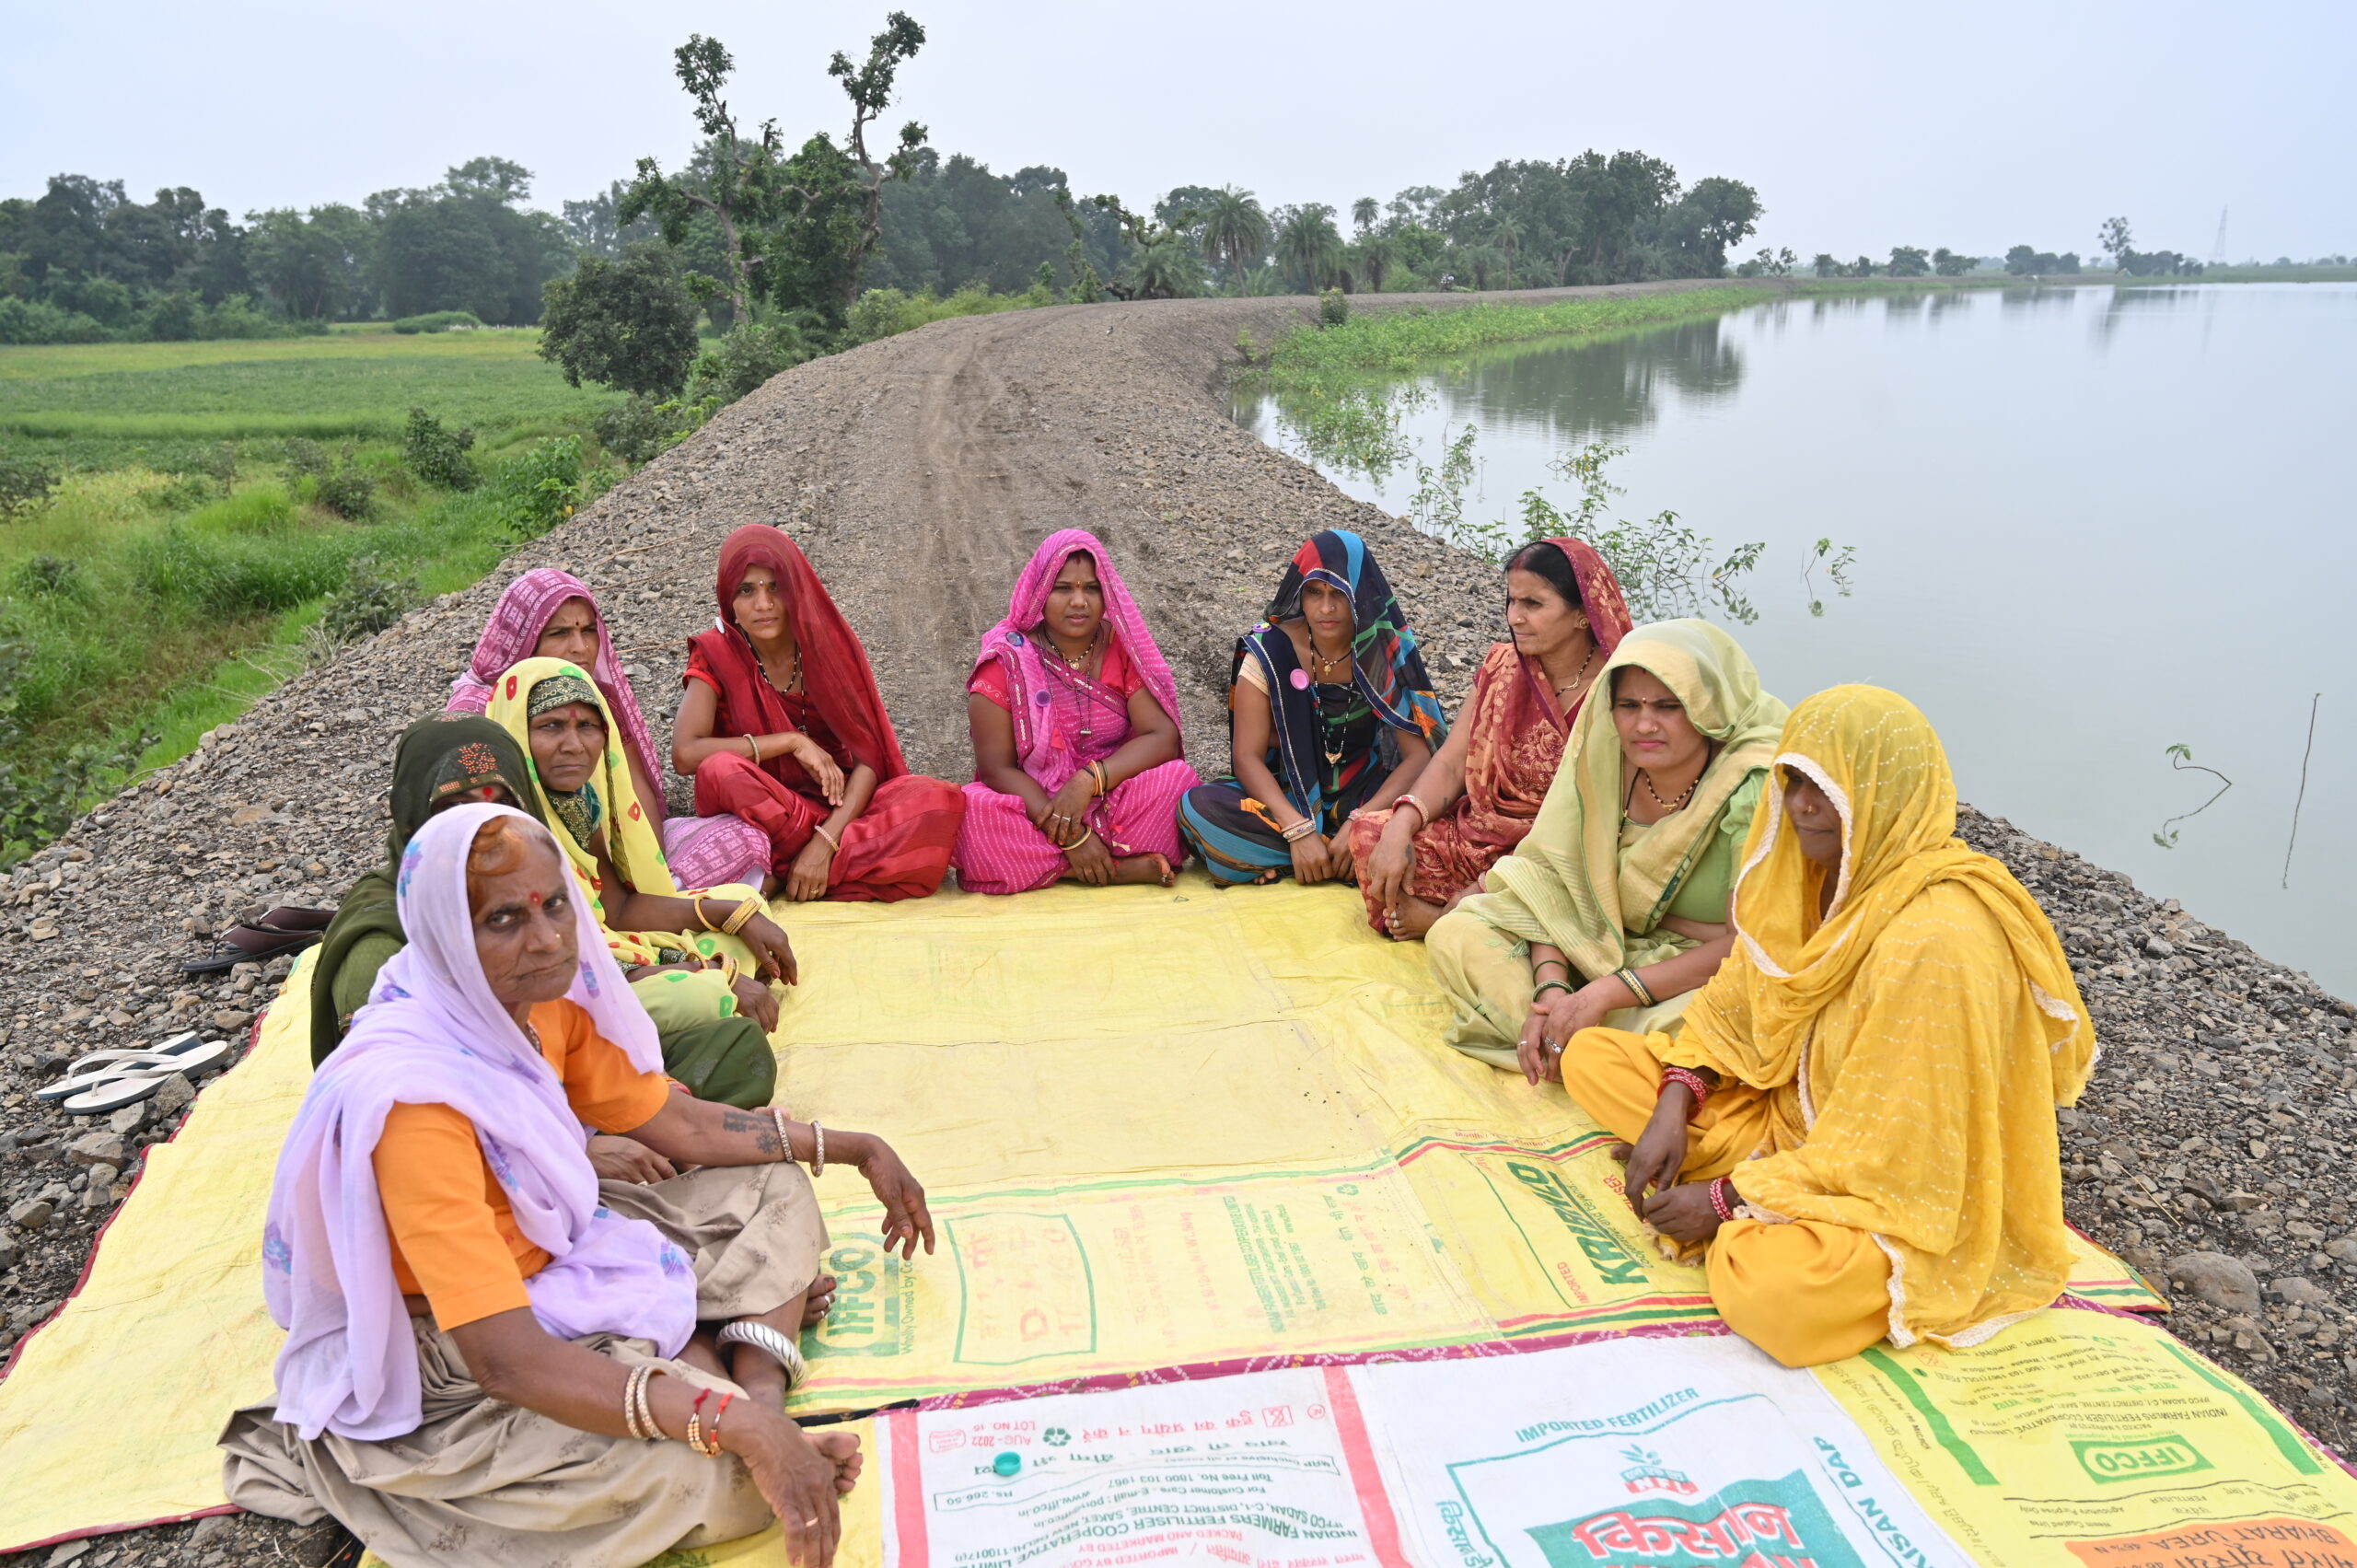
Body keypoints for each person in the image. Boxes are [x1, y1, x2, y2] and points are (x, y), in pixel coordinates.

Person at [223, 805, 935, 1568]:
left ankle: (756, 1390)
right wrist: (735, 1435)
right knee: (705, 1480)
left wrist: (854, 1146)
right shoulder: (414, 1103)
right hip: (462, 1344)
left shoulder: (539, 1003)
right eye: (503, 918)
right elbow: (509, 1362)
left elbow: (682, 1125)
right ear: (445, 936)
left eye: (554, 903)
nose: (549, 937)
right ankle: (734, 1385)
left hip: (564, 1243)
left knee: (771, 1183)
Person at [1558, 686, 2095, 1366]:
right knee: (1594, 1058)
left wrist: (1727, 1202)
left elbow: (1897, 1158)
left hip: (1897, 1186)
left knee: (1773, 1292)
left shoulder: (1937, 937)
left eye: (1827, 789)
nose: (1802, 806)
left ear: (1884, 793)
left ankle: (1751, 1201)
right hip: (1793, 1118)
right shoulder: (1814, 874)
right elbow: (1734, 1002)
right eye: (1793, 781)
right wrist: (1675, 1101)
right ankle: (1728, 1169)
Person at [309, 714, 778, 1111]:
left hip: (556, 1066)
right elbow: (395, 1100)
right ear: (411, 817)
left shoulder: (521, 878)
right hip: (473, 1120)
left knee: (736, 1048)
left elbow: (584, 993)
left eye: (502, 804)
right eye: (454, 808)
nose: (482, 828)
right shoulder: (381, 938)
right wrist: (582, 1143)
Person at [1428, 620, 1785, 1076]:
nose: (1644, 724)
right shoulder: (1606, 758)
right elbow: (1554, 893)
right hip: (1593, 943)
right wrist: (1552, 990)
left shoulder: (1749, 786)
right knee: (1456, 934)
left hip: (1693, 973)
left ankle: (1575, 1049)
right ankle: (1551, 1034)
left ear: (1706, 708)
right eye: (1628, 705)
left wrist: (1609, 992)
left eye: (1668, 706)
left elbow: (1746, 945)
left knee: (1734, 1014)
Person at [488, 658, 799, 1042]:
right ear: (516, 732)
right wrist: (715, 975)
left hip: (610, 948)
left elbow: (616, 911)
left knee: (744, 899)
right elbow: (560, 964)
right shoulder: (501, 832)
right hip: (562, 991)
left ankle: (700, 1013)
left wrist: (731, 914)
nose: (574, 745)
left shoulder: (581, 802)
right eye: (550, 726)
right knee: (699, 993)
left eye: (587, 726)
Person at [1353, 539, 1632, 939]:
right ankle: (1471, 920)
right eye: (1512, 601)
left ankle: (1447, 918)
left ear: (1583, 615)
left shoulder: (1615, 690)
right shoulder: (1502, 666)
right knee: (1372, 835)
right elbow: (1450, 763)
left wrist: (1478, 891)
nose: (1515, 617)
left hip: (1557, 853)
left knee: (1558, 886)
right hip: (1482, 833)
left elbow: (1601, 820)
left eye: (1533, 604)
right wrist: (1401, 825)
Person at [672, 525, 965, 903]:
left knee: (939, 801)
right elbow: (686, 754)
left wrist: (824, 843)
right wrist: (792, 742)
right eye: (747, 590)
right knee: (720, 770)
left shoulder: (825, 646)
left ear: (796, 589)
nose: (763, 604)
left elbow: (870, 760)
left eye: (775, 587)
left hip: (836, 809)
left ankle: (786, 869)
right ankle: (827, 869)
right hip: (761, 808)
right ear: (729, 601)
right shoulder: (716, 653)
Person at [449, 568, 772, 893]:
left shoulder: (597, 696)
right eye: (560, 634)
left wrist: (647, 868)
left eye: (589, 631)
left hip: (617, 853)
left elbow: (635, 792)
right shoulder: (477, 712)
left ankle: (655, 900)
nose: (581, 648)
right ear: (523, 640)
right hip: (536, 865)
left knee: (747, 836)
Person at [1178, 530, 1444, 887]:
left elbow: (1417, 757)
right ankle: (1335, 856)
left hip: (1362, 792)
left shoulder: (1379, 649)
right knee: (1198, 807)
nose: (1326, 608)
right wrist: (1297, 830)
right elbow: (1247, 757)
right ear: (1299, 592)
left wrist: (1360, 822)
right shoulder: (1270, 651)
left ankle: (1300, 859)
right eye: (1314, 592)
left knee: (1439, 826)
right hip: (1287, 793)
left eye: (1338, 594)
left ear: (1359, 594)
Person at [953, 530, 1201, 892]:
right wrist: (1073, 837)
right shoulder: (1007, 658)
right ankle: (1111, 868)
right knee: (972, 811)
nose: (1079, 602)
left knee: (1177, 781)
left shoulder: (1120, 647)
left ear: (1107, 593)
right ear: (1040, 593)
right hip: (1036, 806)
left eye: (1091, 588)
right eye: (1063, 588)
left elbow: (1160, 737)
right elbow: (996, 768)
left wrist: (1087, 781)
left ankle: (1052, 867)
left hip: (1110, 792)